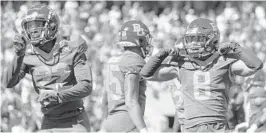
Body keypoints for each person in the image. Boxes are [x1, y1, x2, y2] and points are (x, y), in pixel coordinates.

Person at [140, 18, 263, 132]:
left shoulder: (224, 61)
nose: (193, 44)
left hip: (218, 127)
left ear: (212, 39)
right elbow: (146, 74)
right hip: (191, 128)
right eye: (191, 39)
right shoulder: (182, 64)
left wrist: (235, 47)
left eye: (198, 39)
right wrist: (163, 53)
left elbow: (256, 65)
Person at [3, 4, 92, 132]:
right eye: (30, 26)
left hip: (75, 119)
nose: (33, 31)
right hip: (49, 120)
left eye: (38, 25)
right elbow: (7, 83)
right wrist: (18, 56)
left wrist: (59, 96)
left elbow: (86, 86)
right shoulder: (28, 54)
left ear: (52, 26)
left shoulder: (72, 47)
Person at [101, 20, 153, 132]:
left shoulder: (112, 60)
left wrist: (104, 126)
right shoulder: (134, 61)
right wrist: (143, 129)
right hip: (127, 123)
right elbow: (131, 101)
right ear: (140, 41)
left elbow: (105, 101)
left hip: (109, 122)